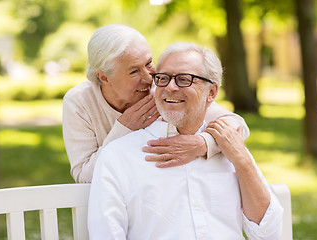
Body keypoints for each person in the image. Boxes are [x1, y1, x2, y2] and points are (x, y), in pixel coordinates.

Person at [88, 42, 283, 239]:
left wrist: (242, 160)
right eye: (163, 78)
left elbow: (268, 233)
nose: (170, 87)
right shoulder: (119, 156)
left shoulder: (229, 146)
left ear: (212, 92)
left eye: (184, 79)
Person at [63, 24, 250, 183]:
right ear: (104, 77)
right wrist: (124, 129)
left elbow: (238, 126)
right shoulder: (79, 102)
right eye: (134, 71)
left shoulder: (162, 90)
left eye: (149, 63)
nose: (148, 77)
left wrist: (204, 143)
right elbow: (84, 175)